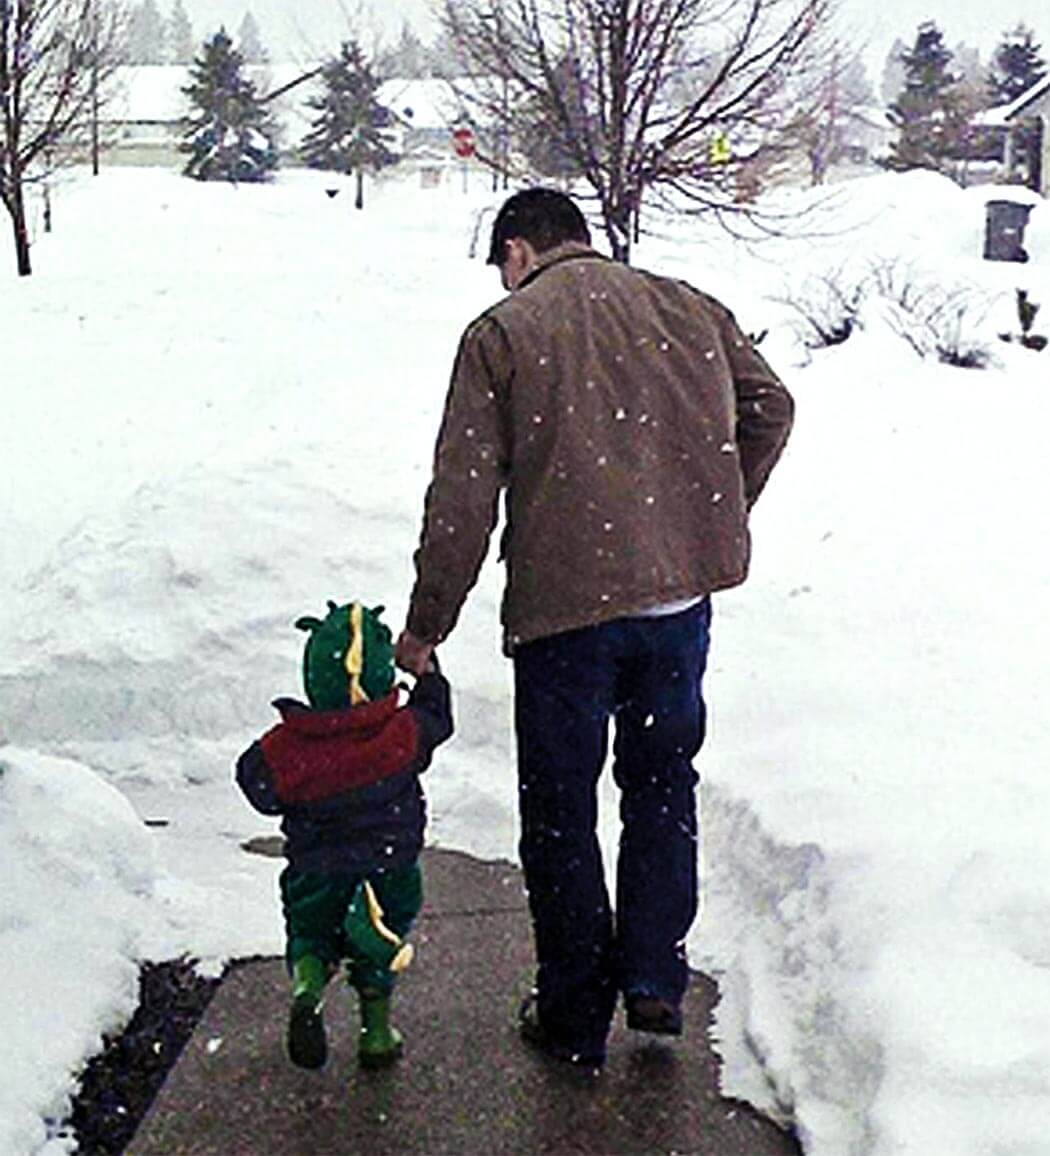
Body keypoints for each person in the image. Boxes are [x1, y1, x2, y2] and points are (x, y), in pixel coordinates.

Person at [396, 187, 793, 1069]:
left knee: (561, 810)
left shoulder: (503, 334)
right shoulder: (686, 306)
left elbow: (462, 500)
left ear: (520, 250)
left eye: (502, 265)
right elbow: (771, 408)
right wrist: (702, 517)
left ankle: (574, 1010)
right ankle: (654, 978)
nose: (503, 281)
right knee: (661, 786)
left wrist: (425, 628)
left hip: (564, 621)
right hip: (674, 614)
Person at [236, 600, 452, 1071]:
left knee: (310, 936)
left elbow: (255, 783)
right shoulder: (400, 733)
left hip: (316, 871)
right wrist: (426, 672)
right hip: (389, 865)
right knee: (379, 943)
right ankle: (375, 1033)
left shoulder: (287, 747)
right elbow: (438, 716)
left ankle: (308, 986)